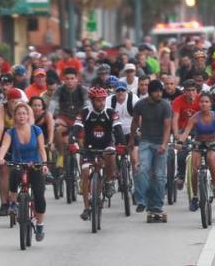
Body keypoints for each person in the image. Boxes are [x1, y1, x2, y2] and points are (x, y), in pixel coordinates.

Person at [69, 87, 124, 221]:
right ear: (92, 101)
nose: (102, 103)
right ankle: (87, 208)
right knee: (86, 172)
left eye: (103, 100)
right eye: (98, 100)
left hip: (107, 144)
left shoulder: (111, 112)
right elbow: (76, 128)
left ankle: (110, 181)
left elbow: (118, 129)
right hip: (89, 147)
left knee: (111, 155)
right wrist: (72, 142)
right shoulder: (85, 112)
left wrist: (121, 144)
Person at [0, 102, 48, 242]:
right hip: (18, 164)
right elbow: (5, 146)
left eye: (24, 113)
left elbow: (42, 149)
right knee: (13, 175)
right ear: (15, 116)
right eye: (19, 114)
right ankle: (13, 203)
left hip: (35, 164)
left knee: (39, 195)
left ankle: (40, 225)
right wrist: (1, 158)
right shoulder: (10, 132)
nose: (22, 116)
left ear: (29, 116)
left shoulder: (36, 130)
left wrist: (44, 163)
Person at [178, 92, 215, 212]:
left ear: (210, 104)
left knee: (211, 159)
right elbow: (186, 132)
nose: (203, 104)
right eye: (201, 102)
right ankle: (195, 197)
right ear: (199, 103)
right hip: (198, 143)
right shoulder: (194, 118)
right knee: (194, 168)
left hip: (213, 143)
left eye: (206, 102)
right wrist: (180, 142)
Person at [130, 80, 173, 219]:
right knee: (143, 169)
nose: (159, 94)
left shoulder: (165, 105)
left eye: (160, 91)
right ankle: (141, 200)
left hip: (160, 142)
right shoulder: (140, 105)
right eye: (156, 91)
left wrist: (164, 144)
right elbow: (135, 121)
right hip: (146, 142)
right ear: (150, 92)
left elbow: (167, 127)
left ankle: (156, 205)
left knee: (159, 176)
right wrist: (131, 139)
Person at [49, 67, 90, 161]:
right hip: (64, 117)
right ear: (64, 79)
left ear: (77, 79)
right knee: (56, 128)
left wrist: (83, 119)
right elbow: (52, 104)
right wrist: (50, 117)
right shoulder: (59, 89)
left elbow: (87, 106)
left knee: (82, 145)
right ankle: (60, 156)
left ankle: (84, 164)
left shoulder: (83, 90)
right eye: (67, 79)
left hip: (79, 119)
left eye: (72, 78)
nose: (70, 81)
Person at [171, 80, 200, 188]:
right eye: (188, 91)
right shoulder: (178, 101)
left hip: (198, 129)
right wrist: (176, 134)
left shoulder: (201, 100)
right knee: (182, 150)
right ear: (184, 91)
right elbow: (175, 118)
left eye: (193, 90)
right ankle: (181, 175)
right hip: (183, 129)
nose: (191, 93)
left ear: (196, 91)